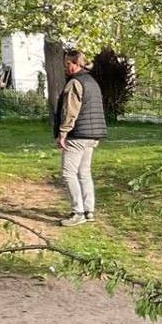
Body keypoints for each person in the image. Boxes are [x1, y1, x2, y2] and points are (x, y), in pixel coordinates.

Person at [53, 50, 107, 226]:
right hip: (93, 135)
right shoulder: (93, 82)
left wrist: (63, 133)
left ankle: (78, 212)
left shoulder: (75, 83)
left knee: (68, 173)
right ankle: (89, 210)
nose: (65, 67)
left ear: (76, 63)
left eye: (67, 64)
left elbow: (70, 111)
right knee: (84, 172)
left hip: (78, 135)